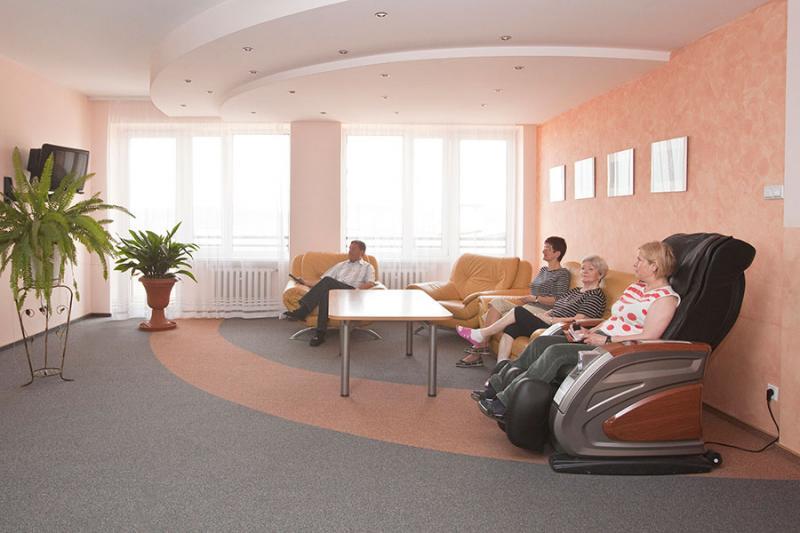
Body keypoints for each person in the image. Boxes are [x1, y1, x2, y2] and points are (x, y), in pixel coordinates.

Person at [476, 241, 680, 419]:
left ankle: (505, 402)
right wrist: (589, 332)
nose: (635, 264)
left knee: (555, 352)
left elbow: (650, 336)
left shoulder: (665, 299)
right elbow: (613, 319)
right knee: (541, 342)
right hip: (599, 337)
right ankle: (496, 387)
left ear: (654, 266)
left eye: (639, 260)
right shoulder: (635, 287)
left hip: (616, 349)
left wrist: (606, 340)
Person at [456, 255, 607, 366]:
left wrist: (552, 320)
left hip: (559, 328)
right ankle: (500, 366)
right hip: (549, 319)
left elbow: (579, 320)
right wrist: (545, 314)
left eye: (590, 269)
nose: (584, 271)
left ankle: (481, 334)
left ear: (600, 275)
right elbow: (557, 307)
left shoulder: (595, 295)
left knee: (519, 312)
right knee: (511, 328)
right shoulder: (575, 291)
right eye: (583, 268)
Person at [456, 236, 571, 367]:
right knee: (496, 302)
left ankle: (478, 350)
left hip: (542, 310)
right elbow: (534, 291)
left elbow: (558, 300)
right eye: (544, 248)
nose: (543, 251)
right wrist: (527, 299)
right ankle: (481, 345)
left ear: (557, 253)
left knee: (499, 315)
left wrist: (535, 298)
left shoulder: (563, 274)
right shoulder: (543, 270)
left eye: (548, 249)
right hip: (529, 305)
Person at [282, 240, 376, 346]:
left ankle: (303, 311)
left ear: (362, 252)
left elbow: (370, 283)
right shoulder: (341, 265)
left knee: (328, 282)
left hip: (351, 293)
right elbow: (322, 282)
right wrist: (305, 282)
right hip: (336, 293)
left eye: (353, 249)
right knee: (325, 294)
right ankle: (320, 334)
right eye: (349, 248)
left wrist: (357, 290)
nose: (350, 251)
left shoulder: (367, 266)